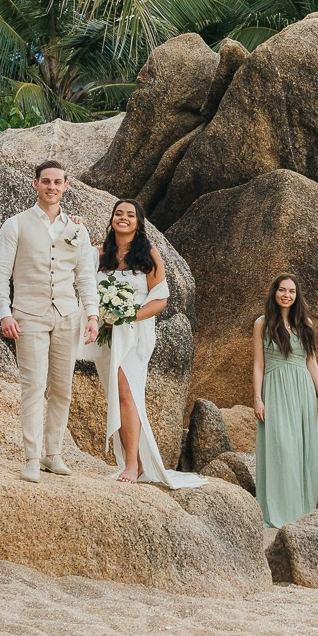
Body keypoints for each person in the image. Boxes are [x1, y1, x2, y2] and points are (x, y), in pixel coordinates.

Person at [0, 161, 99, 483]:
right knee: (33, 386)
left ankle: (54, 454)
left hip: (67, 315)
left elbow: (85, 278)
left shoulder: (78, 230)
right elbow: (0, 274)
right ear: (35, 183)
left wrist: (92, 315)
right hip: (28, 315)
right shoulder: (15, 225)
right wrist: (5, 313)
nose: (52, 187)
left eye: (58, 182)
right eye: (46, 181)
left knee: (63, 389)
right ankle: (32, 457)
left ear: (66, 186)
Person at [96, 199, 206, 488]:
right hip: (109, 335)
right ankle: (137, 463)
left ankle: (132, 465)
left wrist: (129, 315)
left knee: (126, 393)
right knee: (118, 395)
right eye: (119, 213)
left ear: (138, 222)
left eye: (130, 215)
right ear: (112, 219)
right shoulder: (102, 254)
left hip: (136, 334)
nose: (123, 218)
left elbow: (161, 299)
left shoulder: (149, 254)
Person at [252, 274, 318, 527]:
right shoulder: (262, 324)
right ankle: (276, 511)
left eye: (292, 291)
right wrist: (257, 398)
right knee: (281, 449)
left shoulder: (304, 323)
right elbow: (257, 364)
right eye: (282, 290)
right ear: (274, 292)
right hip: (275, 390)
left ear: (297, 296)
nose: (287, 295)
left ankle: (301, 510)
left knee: (302, 449)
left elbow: (312, 362)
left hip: (302, 390)